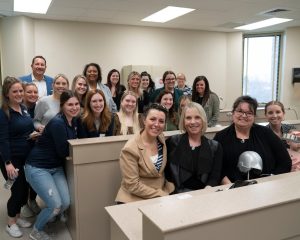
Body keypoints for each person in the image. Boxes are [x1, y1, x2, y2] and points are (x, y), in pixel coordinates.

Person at [24, 90, 80, 240]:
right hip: (38, 167)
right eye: (70, 105)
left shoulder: (73, 120)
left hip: (55, 167)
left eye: (76, 104)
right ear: (62, 106)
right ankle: (36, 230)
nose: (74, 107)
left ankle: (50, 216)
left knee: (66, 203)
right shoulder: (57, 123)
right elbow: (63, 152)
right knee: (55, 205)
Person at [214, 96, 291, 184]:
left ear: (254, 116)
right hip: (232, 190)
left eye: (249, 113)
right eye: (240, 111)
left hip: (266, 188)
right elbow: (216, 168)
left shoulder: (266, 133)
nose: (244, 116)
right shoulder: (221, 137)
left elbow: (285, 161)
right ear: (233, 113)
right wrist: (231, 186)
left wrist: (271, 181)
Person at [115, 103, 175, 203]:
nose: (156, 124)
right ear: (144, 120)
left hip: (160, 192)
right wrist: (161, 195)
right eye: (152, 119)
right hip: (135, 198)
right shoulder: (130, 149)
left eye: (161, 121)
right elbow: (133, 185)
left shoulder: (161, 139)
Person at [0, 77, 34, 238]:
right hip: (11, 160)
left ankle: (18, 217)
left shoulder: (23, 108)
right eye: (15, 91)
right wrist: (8, 163)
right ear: (7, 94)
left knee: (24, 189)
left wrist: (34, 133)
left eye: (21, 90)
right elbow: (3, 139)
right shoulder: (3, 112)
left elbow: (24, 129)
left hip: (25, 157)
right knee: (17, 191)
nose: (19, 93)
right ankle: (10, 223)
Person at [166, 102, 223, 193]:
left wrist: (206, 192)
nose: (193, 122)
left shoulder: (215, 147)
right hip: (176, 196)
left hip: (204, 195)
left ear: (203, 120)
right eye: (188, 118)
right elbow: (167, 174)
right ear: (183, 121)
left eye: (197, 117)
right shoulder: (172, 142)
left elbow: (215, 177)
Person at [20, 83, 41, 218]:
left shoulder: (38, 107)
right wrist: (29, 136)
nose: (33, 95)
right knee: (21, 181)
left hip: (35, 148)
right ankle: (23, 204)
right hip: (20, 149)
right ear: (23, 93)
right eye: (29, 92)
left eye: (35, 92)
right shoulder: (17, 108)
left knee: (34, 177)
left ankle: (32, 200)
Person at [265, 100, 300, 171]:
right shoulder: (263, 133)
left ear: (283, 113)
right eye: (270, 113)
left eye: (278, 112)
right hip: (274, 169)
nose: (274, 115)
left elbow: (297, 148)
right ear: (266, 115)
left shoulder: (290, 130)